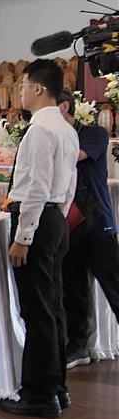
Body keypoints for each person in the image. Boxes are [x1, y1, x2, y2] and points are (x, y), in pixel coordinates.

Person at [0, 59, 79, 419]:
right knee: (53, 306)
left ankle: (38, 393)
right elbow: (68, 184)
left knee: (37, 310)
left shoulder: (38, 131)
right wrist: (55, 221)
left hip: (37, 219)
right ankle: (57, 387)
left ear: (38, 89)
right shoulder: (65, 128)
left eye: (22, 85)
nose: (19, 91)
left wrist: (24, 237)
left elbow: (35, 187)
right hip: (54, 219)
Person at [56, 88, 119, 368]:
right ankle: (78, 347)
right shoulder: (57, 137)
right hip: (70, 225)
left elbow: (72, 156)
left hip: (98, 225)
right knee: (74, 288)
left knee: (114, 284)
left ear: (65, 107)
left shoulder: (94, 134)